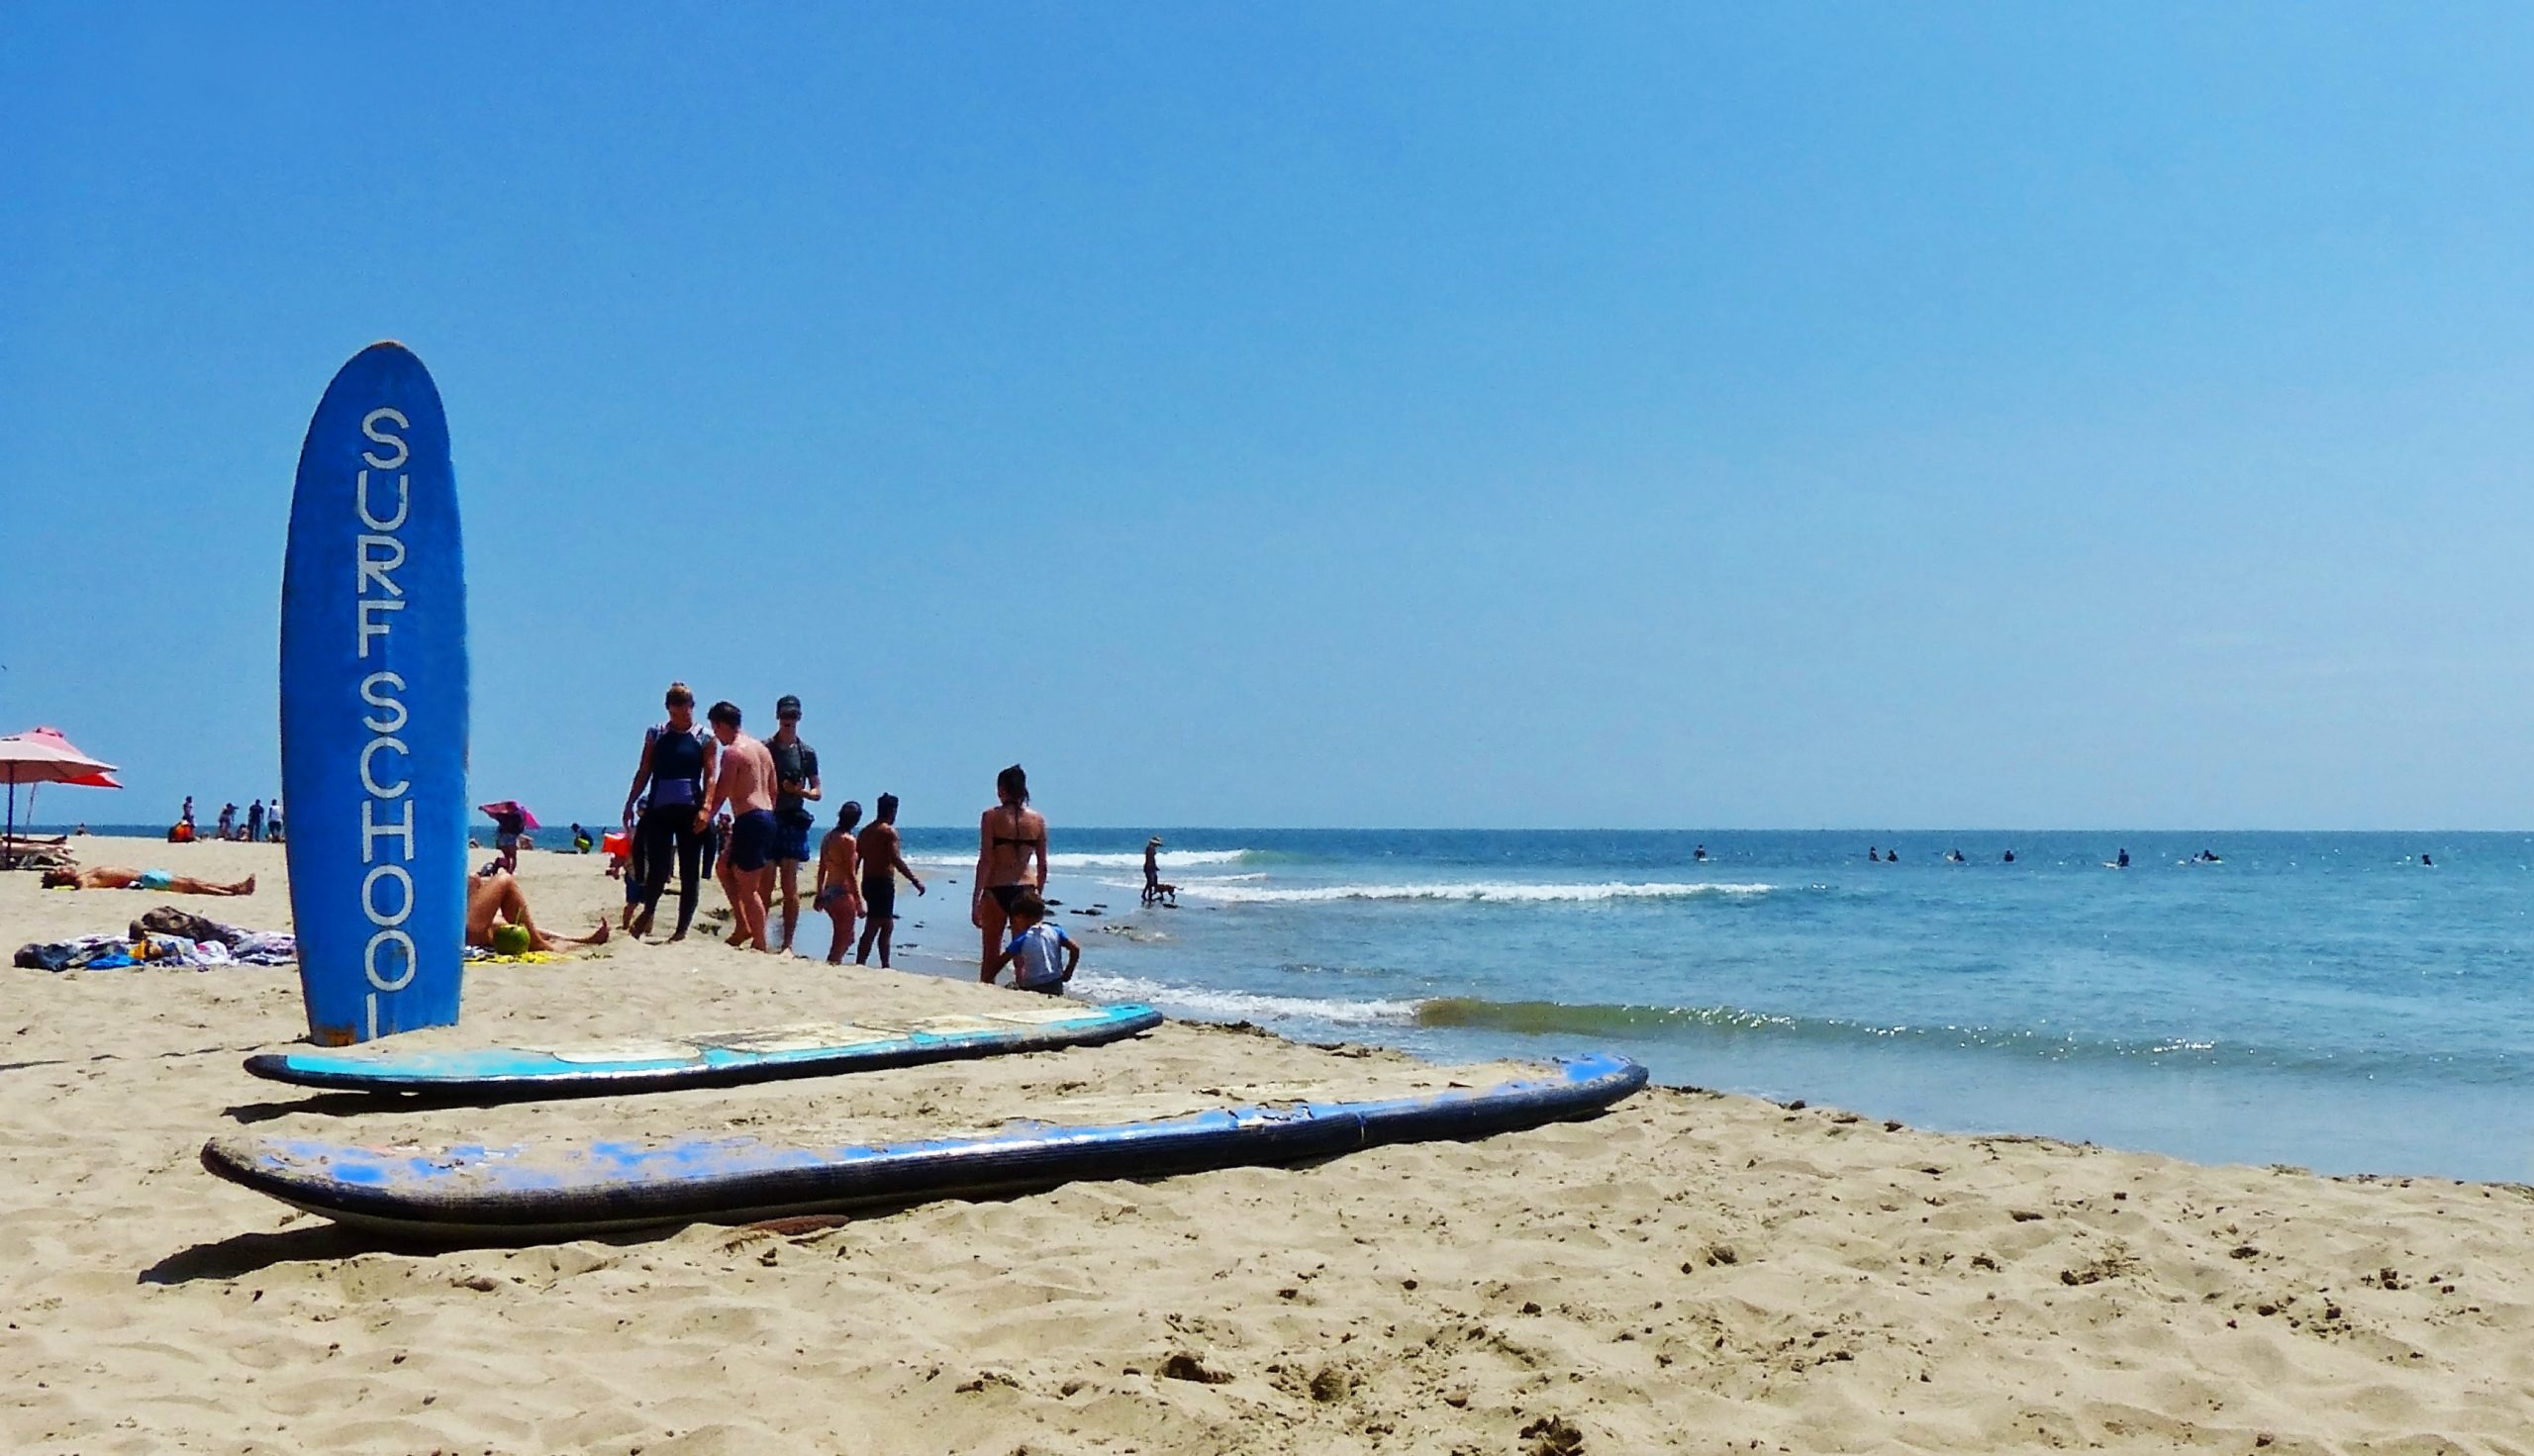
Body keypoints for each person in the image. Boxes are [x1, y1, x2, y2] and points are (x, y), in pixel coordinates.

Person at [624, 682, 721, 942]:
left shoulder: (705, 737)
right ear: (668, 709)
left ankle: (680, 931)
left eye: (685, 709)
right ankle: (648, 911)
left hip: (690, 810)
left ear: (692, 707)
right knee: (658, 867)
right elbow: (644, 770)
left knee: (689, 871)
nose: (681, 715)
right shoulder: (656, 734)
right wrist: (630, 802)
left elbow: (711, 776)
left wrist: (707, 808)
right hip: (659, 808)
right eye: (675, 711)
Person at [702, 700, 780, 952]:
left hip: (752, 818)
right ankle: (743, 925)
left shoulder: (734, 752)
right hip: (764, 816)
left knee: (749, 889)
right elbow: (774, 790)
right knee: (724, 868)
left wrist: (707, 816)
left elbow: (722, 790)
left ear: (722, 725)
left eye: (715, 729)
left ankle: (760, 943)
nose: (715, 735)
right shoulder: (762, 749)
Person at [973, 764, 1049, 979]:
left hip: (997, 887)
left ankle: (987, 992)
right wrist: (1037, 894)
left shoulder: (990, 816)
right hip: (1026, 888)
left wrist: (976, 898)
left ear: (1001, 789)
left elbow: (986, 859)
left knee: (990, 953)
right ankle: (1022, 991)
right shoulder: (1038, 820)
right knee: (1022, 955)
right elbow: (1043, 864)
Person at [767, 694, 823, 954]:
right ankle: (760, 938)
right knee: (764, 883)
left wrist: (797, 791)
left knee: (789, 885)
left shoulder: (806, 753)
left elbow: (818, 792)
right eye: (784, 715)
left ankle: (788, 944)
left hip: (793, 820)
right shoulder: (766, 748)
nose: (788, 721)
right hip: (769, 819)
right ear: (777, 716)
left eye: (793, 716)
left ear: (799, 718)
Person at [856, 792, 926, 967]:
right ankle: (870, 963)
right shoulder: (888, 832)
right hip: (882, 883)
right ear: (892, 811)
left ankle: (879, 963)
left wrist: (854, 885)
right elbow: (895, 859)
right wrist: (914, 880)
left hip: (868, 882)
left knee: (884, 924)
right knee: (876, 925)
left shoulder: (865, 832)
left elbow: (857, 860)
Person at [465, 869, 610, 952]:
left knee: (473, 880)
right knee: (505, 880)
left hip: (458, 928)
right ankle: (540, 945)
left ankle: (574, 940)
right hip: (457, 933)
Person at [983, 888, 1077, 995]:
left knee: (1012, 986)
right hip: (1055, 983)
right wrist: (1069, 970)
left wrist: (986, 979)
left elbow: (1002, 961)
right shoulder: (1056, 931)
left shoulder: (1022, 938)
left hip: (1033, 984)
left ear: (1021, 917)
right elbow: (1075, 948)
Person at [812, 801, 863, 965]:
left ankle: (834, 962)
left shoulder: (828, 837)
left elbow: (821, 869)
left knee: (844, 936)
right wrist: (859, 901)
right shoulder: (848, 841)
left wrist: (819, 893)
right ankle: (832, 964)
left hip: (829, 890)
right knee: (844, 937)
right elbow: (850, 873)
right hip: (842, 892)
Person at [44, 865, 254, 896]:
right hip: (145, 880)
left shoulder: (84, 874)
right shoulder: (84, 882)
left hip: (146, 874)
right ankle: (233, 892)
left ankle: (232, 887)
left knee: (190, 881)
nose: (64, 867)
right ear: (62, 878)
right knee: (191, 886)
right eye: (60, 870)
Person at [489, 803, 527, 873]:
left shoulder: (506, 816)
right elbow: (520, 827)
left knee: (510, 856)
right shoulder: (515, 816)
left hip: (505, 836)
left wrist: (486, 809)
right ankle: (509, 870)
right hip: (508, 836)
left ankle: (509, 870)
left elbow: (493, 815)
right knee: (510, 856)